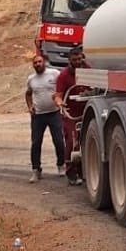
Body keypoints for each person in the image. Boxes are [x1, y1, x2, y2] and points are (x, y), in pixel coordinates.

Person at [25, 54, 65, 182]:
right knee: (36, 143)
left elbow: (62, 87)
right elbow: (28, 93)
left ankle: (61, 165)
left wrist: (61, 100)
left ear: (44, 62)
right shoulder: (31, 79)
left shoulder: (54, 73)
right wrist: (30, 106)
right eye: (35, 63)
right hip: (38, 116)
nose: (38, 64)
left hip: (54, 113)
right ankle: (36, 170)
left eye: (39, 61)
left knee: (58, 140)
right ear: (33, 65)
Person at [53, 45, 89, 186]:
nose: (78, 61)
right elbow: (58, 95)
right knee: (71, 143)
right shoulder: (64, 75)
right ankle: (70, 171)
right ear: (69, 60)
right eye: (75, 59)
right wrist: (60, 103)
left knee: (84, 142)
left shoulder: (88, 70)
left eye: (80, 58)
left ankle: (82, 170)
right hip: (70, 115)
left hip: (85, 112)